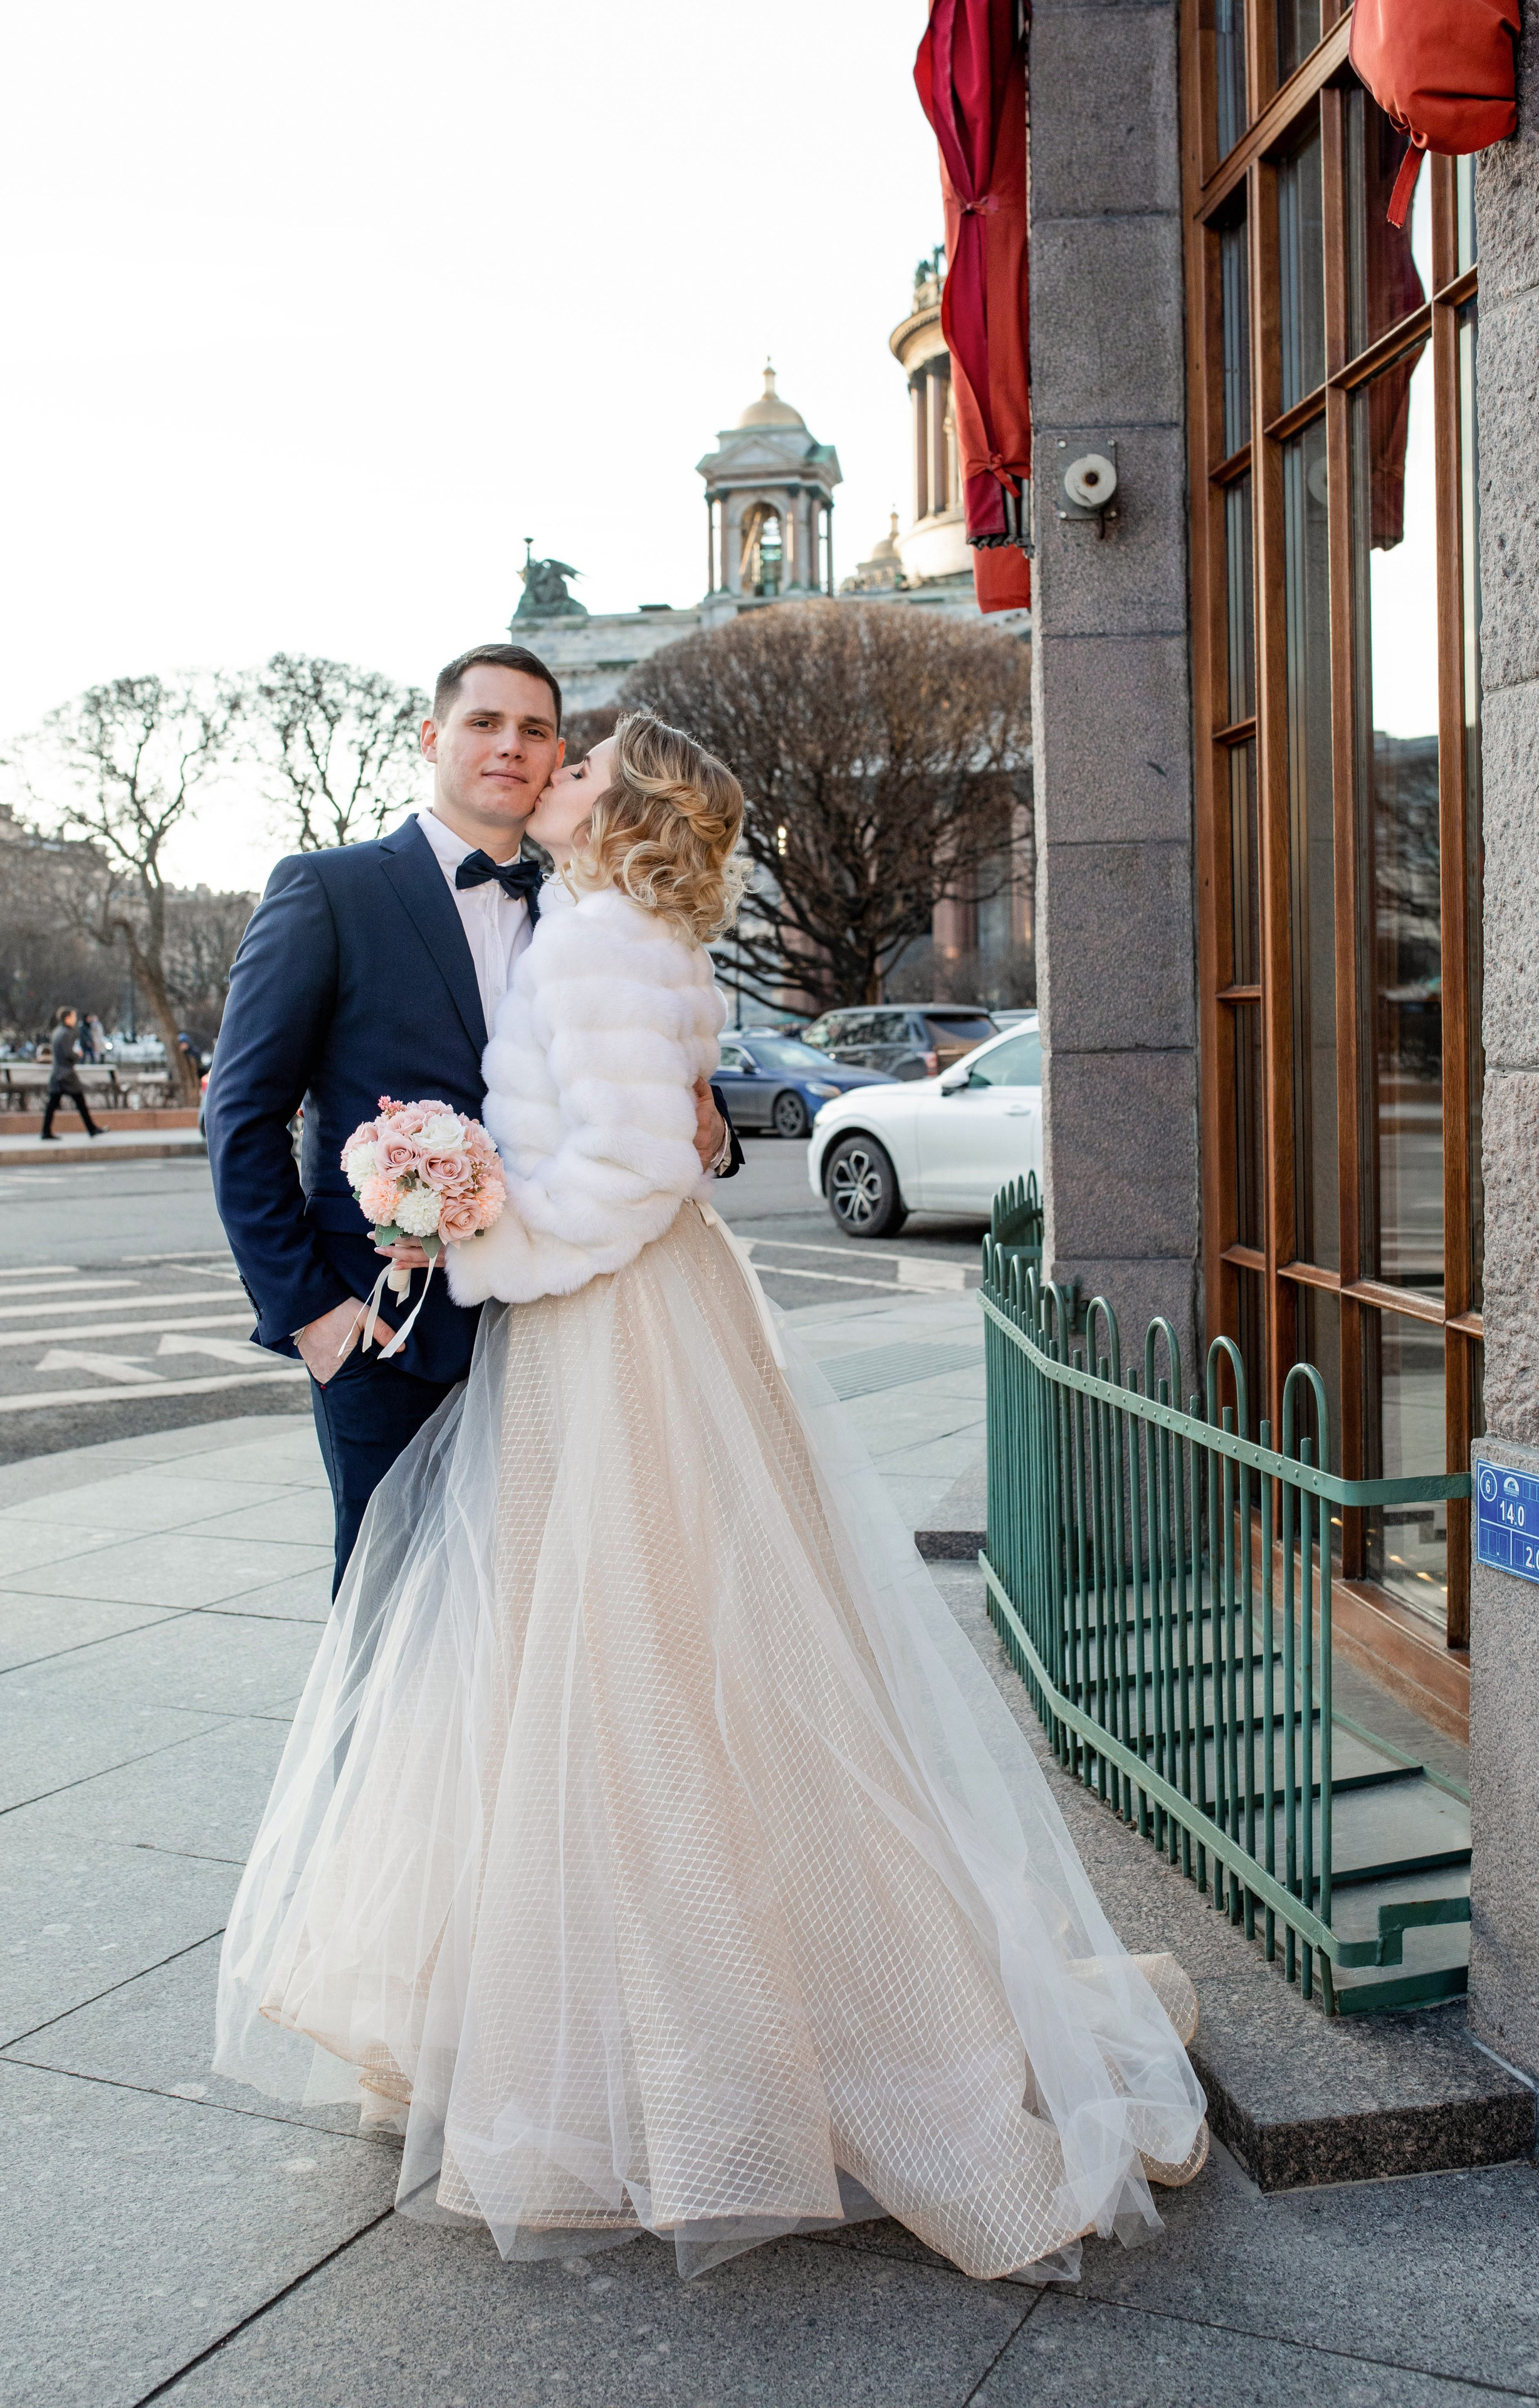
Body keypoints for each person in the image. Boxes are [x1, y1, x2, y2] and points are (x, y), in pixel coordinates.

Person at [215, 710, 1208, 2286]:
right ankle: (642, 2014)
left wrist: (477, 1239)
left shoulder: (601, 938)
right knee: (642, 1661)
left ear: (625, 808)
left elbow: (620, 1178)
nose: (556, 772)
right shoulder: (621, 926)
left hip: (605, 1328)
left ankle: (695, 2054)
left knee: (634, 1670)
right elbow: (653, 1139)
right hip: (621, 1317)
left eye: (585, 761)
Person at [204, 645, 742, 1590]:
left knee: (537, 1622)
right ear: (432, 737)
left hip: (559, 1326)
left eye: (537, 732)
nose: (511, 747)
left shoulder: (582, 898)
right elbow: (241, 1116)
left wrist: (712, 1120)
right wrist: (313, 1317)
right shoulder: (329, 889)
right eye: (484, 722)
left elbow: (631, 1069)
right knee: (392, 1615)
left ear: (559, 753)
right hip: (387, 1327)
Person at [40, 1008, 103, 1140]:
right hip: (66, 1075)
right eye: (74, 1016)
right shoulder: (67, 1034)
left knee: (53, 1104)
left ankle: (46, 1131)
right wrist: (78, 1055)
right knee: (79, 1101)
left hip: (58, 1074)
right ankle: (92, 1129)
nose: (75, 1019)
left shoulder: (58, 1032)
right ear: (67, 1018)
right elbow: (68, 1054)